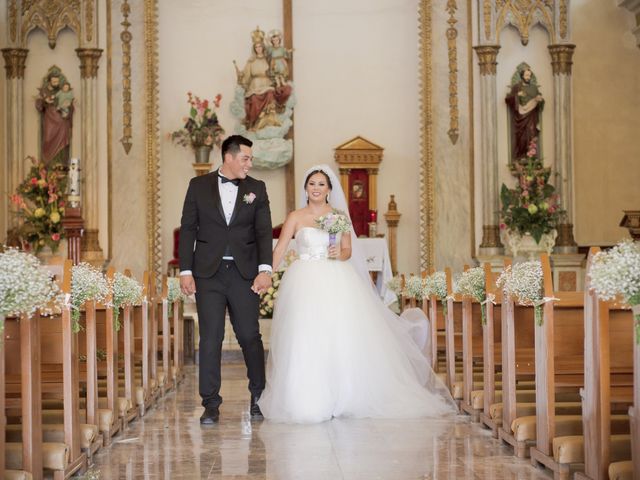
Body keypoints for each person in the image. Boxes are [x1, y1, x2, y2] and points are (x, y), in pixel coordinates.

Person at [258, 165, 456, 423]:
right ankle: (305, 397)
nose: (316, 188)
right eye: (312, 184)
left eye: (321, 184)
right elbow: (281, 248)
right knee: (305, 335)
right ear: (305, 188)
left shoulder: (339, 216)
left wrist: (336, 254)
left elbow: (347, 249)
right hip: (304, 280)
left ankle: (344, 395)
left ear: (329, 190)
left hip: (335, 278)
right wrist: (266, 274)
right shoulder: (295, 216)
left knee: (338, 335)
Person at [179, 135, 273, 424]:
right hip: (208, 273)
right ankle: (210, 403)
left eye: (251, 159)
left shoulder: (257, 188)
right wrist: (186, 270)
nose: (250, 163)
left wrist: (265, 269)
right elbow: (188, 229)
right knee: (210, 338)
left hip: (245, 274)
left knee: (249, 335)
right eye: (245, 158)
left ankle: (259, 396)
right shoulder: (198, 186)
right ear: (229, 157)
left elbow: (263, 231)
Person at [505, 64, 544, 163]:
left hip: (532, 117)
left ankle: (531, 157)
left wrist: (540, 100)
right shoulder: (517, 87)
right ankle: (521, 156)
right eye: (526, 75)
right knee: (522, 137)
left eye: (529, 75)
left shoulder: (534, 88)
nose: (528, 77)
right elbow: (507, 99)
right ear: (522, 76)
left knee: (531, 134)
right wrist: (517, 95)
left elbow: (540, 102)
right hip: (521, 117)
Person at [36, 67, 73, 166]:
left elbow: (70, 104)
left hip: (61, 121)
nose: (56, 83)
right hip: (49, 119)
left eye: (57, 81)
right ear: (49, 81)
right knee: (47, 139)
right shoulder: (44, 91)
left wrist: (68, 104)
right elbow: (39, 106)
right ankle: (48, 166)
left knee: (62, 142)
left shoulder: (62, 91)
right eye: (54, 81)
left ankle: (61, 166)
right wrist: (44, 101)